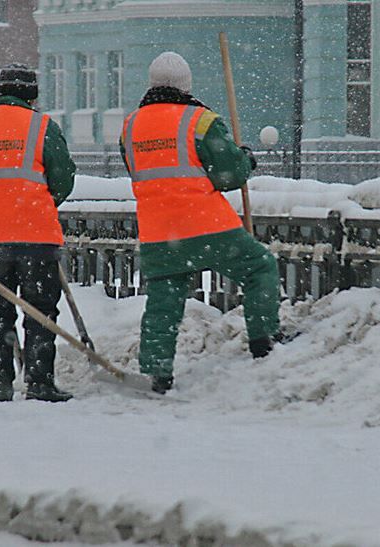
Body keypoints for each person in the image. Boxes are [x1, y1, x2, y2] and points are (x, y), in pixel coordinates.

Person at [119, 52, 281, 394]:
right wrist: (246, 159)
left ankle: (155, 373)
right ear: (186, 85)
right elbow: (229, 174)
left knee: (163, 303)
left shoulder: (130, 126)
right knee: (259, 267)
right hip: (208, 227)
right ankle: (264, 342)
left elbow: (139, 172)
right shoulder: (200, 121)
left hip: (159, 232)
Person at [0, 64, 76, 402]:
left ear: (1, 91)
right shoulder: (42, 126)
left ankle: (0, 383)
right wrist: (39, 201)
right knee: (40, 309)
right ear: (32, 96)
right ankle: (39, 382)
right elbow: (63, 178)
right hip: (35, 235)